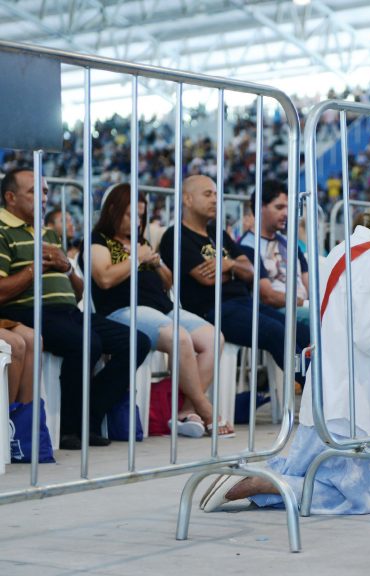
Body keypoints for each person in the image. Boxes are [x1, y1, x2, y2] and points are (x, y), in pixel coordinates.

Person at [198, 198, 370, 514]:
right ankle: (262, 480)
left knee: (319, 471)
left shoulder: (348, 249)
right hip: (351, 394)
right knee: (356, 496)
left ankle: (259, 479)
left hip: (335, 385)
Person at [0, 168, 151, 450]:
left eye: (45, 191)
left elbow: (80, 292)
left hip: (68, 311)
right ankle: (71, 428)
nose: (44, 198)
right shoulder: (2, 231)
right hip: (27, 312)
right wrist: (34, 268)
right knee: (85, 343)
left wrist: (67, 267)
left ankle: (91, 413)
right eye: (34, 191)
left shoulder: (47, 233)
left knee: (137, 342)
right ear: (10, 197)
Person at [84, 183, 230, 437]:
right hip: (123, 310)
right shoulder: (99, 241)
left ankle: (186, 412)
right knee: (179, 338)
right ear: (113, 211)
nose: (137, 222)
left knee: (213, 338)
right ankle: (205, 408)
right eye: (131, 215)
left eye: (141, 216)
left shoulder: (140, 243)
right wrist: (136, 259)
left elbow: (168, 282)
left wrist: (157, 262)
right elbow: (104, 278)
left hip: (162, 308)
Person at [158, 175, 307, 388]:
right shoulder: (175, 236)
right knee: (277, 332)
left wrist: (227, 265)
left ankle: (317, 385)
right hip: (212, 310)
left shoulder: (216, 234)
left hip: (243, 303)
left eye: (217, 195)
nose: (214, 200)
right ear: (187, 199)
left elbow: (250, 271)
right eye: (208, 194)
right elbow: (206, 279)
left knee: (299, 330)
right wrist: (236, 268)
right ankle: (314, 388)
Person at [239, 180, 311, 328]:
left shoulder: (290, 243)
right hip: (274, 312)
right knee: (320, 319)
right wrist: (306, 304)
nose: (286, 213)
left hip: (302, 307)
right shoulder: (247, 246)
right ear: (260, 208)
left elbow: (308, 282)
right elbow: (268, 297)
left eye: (287, 207)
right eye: (279, 207)